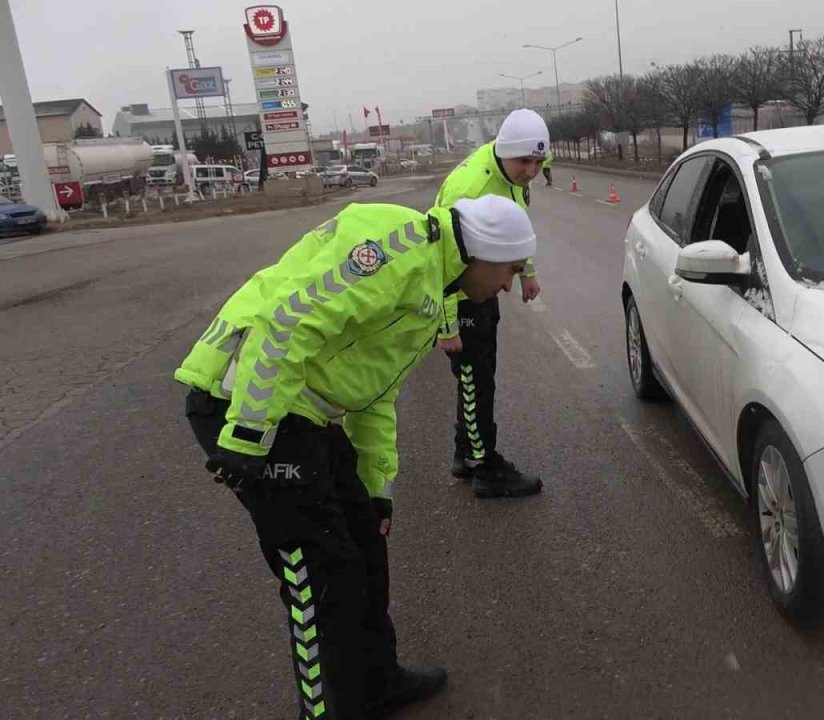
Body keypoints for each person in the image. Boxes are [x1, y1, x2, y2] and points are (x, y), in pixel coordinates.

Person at [176, 195, 535, 720]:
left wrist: (376, 488)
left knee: (365, 549)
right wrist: (248, 435)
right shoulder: (402, 251)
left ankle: (374, 684)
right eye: (510, 269)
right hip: (245, 400)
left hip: (300, 407)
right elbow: (290, 319)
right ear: (482, 254)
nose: (508, 284)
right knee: (318, 574)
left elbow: (375, 390)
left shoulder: (434, 283)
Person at [435, 108, 547, 499]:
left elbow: (517, 226)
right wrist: (447, 326)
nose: (532, 171)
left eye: (539, 161)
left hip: (482, 285)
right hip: (460, 292)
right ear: (504, 153)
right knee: (474, 379)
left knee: (480, 376)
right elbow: (442, 260)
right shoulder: (469, 188)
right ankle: (485, 467)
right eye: (525, 162)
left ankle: (465, 453)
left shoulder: (509, 173)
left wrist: (526, 270)